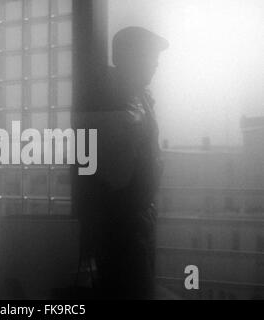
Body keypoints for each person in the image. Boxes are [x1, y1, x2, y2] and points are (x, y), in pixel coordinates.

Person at [75, 26, 169, 299]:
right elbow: (115, 172)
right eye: (151, 56)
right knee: (132, 288)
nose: (156, 64)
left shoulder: (134, 96)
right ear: (131, 57)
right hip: (124, 225)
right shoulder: (118, 97)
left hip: (132, 219)